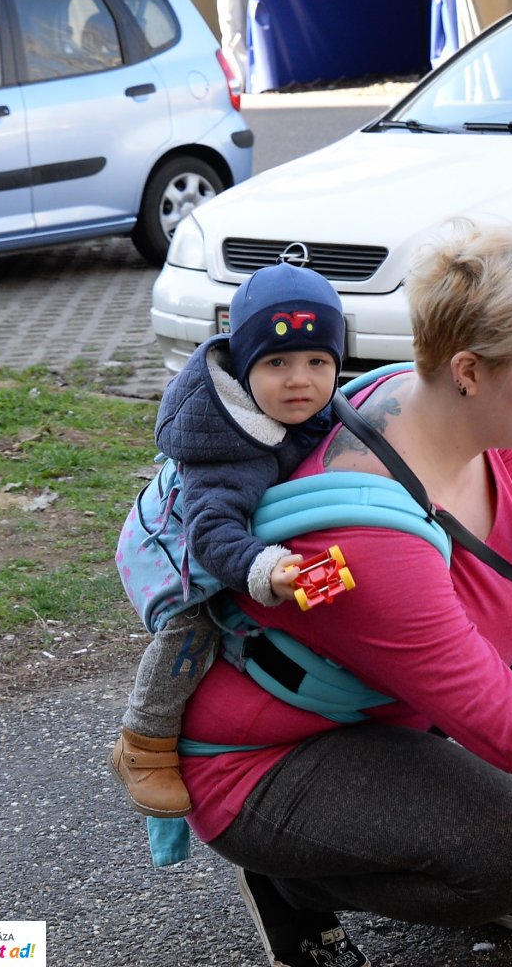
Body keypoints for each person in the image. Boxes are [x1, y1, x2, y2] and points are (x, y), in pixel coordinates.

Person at [178, 218, 512, 967]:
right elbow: (506, 727)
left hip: (383, 714)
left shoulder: (415, 400)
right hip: (264, 759)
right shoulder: (370, 546)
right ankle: (291, 884)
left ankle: (411, 825)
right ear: (469, 371)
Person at [110, 263, 348, 819]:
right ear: (245, 368)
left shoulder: (319, 411)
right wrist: (266, 569)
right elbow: (212, 534)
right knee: (196, 628)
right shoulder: (225, 444)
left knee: (316, 597)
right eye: (277, 363)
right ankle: (144, 741)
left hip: (246, 532)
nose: (299, 380)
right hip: (179, 550)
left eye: (317, 362)